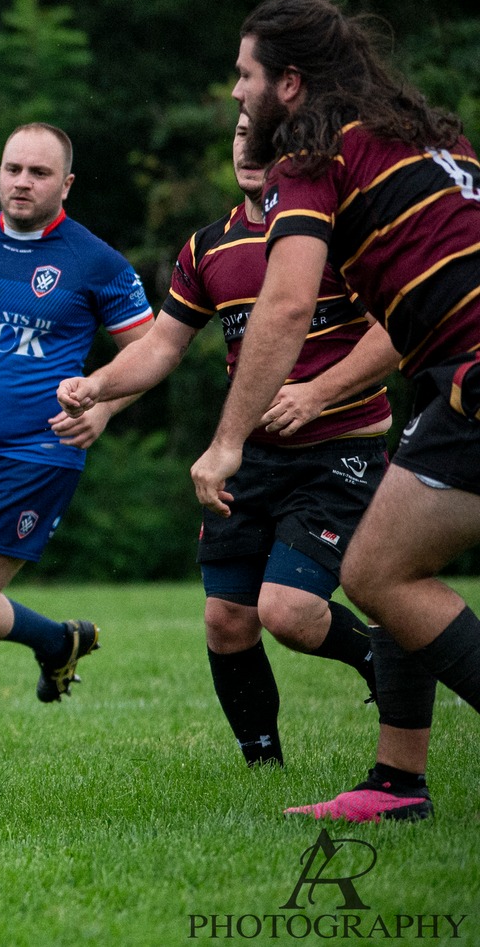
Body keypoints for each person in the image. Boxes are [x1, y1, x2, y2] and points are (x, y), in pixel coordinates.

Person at [190, 0, 480, 822]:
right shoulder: (427, 136)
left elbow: (283, 310)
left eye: (245, 74)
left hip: (471, 376)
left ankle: (398, 783)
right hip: (453, 379)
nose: (236, 92)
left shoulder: (314, 156)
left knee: (380, 572)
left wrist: (227, 442)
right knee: (392, 569)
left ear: (289, 82)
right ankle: (396, 784)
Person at [59, 113, 392, 766]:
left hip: (338, 453)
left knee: (289, 611)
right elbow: (161, 346)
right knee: (226, 620)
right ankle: (262, 766)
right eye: (242, 131)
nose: (250, 143)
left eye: (265, 131)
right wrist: (96, 384)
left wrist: (318, 394)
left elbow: (395, 331)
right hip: (249, 456)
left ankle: (389, 660)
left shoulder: (340, 234)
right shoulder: (207, 248)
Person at [0, 122, 155, 751]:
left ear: (65, 184)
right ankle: (54, 640)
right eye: (13, 168)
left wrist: (104, 410)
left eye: (39, 173)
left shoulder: (93, 261)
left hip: (39, 452)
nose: (21, 182)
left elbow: (152, 352)